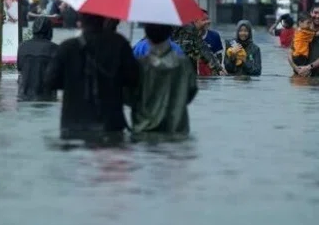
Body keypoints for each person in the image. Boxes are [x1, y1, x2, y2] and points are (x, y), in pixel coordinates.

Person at [45, 12, 139, 142]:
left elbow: (50, 82)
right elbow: (133, 80)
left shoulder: (67, 47)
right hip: (110, 125)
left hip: (73, 125)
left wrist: (72, 81)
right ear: (103, 19)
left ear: (80, 21)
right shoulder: (120, 44)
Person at [129, 23, 197, 137]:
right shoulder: (183, 62)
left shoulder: (139, 62)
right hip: (176, 127)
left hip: (143, 127)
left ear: (146, 33)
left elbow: (129, 96)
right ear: (170, 33)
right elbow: (191, 91)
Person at [16, 17, 58, 101]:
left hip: (24, 96)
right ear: (50, 31)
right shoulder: (55, 48)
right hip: (46, 97)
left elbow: (19, 67)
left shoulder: (22, 46)